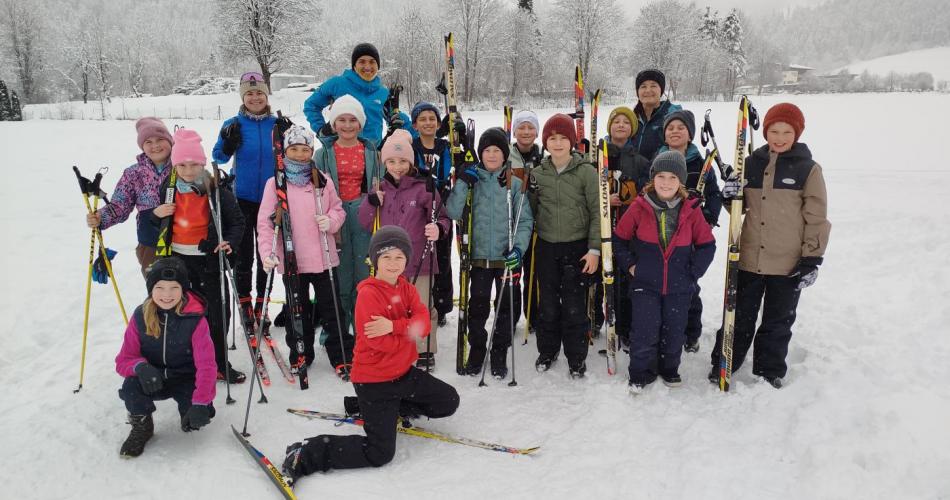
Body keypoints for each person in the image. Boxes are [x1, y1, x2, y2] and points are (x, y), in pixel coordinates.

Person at [280, 226, 460, 479]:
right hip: (374, 382)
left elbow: (425, 322)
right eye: (386, 257)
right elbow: (381, 344)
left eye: (399, 257)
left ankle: (378, 408)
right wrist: (409, 335)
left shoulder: (406, 288)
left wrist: (395, 326)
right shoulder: (369, 294)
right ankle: (306, 452)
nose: (393, 263)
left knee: (448, 400)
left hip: (404, 375)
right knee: (379, 453)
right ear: (375, 260)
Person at [710, 103, 831, 389]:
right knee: (738, 317)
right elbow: (739, 210)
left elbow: (816, 217)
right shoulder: (749, 163)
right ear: (765, 131)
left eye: (786, 132)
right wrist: (729, 197)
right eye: (773, 131)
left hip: (787, 263)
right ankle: (724, 363)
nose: (779, 137)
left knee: (778, 322)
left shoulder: (808, 170)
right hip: (749, 258)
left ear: (797, 133)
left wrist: (811, 259)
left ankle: (769, 370)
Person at [613, 150, 716, 394]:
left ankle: (670, 369)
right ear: (652, 179)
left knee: (674, 330)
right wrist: (631, 266)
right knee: (645, 331)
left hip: (679, 287)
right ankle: (640, 372)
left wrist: (693, 272)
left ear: (680, 181)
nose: (666, 183)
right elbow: (619, 240)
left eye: (672, 177)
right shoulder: (639, 206)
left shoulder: (691, 210)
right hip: (645, 284)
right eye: (661, 176)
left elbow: (707, 245)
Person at [148, 128, 246, 383]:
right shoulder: (167, 190)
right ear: (174, 164)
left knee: (216, 313)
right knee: (180, 311)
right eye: (182, 165)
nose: (188, 171)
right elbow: (152, 223)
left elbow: (237, 222)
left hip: (208, 260)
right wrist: (155, 214)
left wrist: (229, 243)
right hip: (178, 261)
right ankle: (185, 361)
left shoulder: (216, 190)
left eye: (194, 165)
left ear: (202, 164)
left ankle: (218, 362)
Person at [257, 124, 355, 377]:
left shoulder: (322, 180)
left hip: (324, 259)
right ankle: (300, 352)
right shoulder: (275, 184)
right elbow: (265, 224)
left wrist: (331, 221)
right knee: (296, 312)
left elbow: (338, 210)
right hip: (293, 261)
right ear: (285, 151)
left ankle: (342, 355)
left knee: (333, 310)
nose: (300, 154)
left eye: (305, 149)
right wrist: (268, 252)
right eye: (294, 149)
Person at [358, 130, 451, 368]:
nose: (397, 166)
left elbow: (443, 217)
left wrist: (438, 228)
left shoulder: (423, 187)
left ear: (410, 162)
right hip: (388, 264)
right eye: (391, 161)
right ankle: (395, 346)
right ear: (384, 162)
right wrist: (371, 202)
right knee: (393, 308)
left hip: (420, 260)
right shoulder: (380, 189)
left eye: (402, 161)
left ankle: (423, 349)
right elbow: (365, 222)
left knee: (421, 305)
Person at [447, 127, 534, 378]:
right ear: (480, 153)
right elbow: (453, 211)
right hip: (478, 259)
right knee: (477, 308)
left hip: (506, 259)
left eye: (497, 150)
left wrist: (518, 248)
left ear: (505, 154)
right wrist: (463, 182)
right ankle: (477, 350)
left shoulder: (514, 183)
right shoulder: (472, 182)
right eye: (487, 150)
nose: (492, 155)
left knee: (506, 308)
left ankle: (499, 352)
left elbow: (524, 220)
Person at [115, 257, 216, 457]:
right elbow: (123, 360)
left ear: (183, 289)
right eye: (160, 287)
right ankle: (142, 426)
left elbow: (207, 366)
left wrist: (201, 402)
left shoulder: (195, 319)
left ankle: (188, 410)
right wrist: (140, 367)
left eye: (174, 288)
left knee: (197, 418)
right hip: (153, 378)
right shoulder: (140, 317)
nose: (167, 295)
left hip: (185, 378)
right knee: (130, 388)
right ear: (151, 289)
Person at [526, 114, 601, 378]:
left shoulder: (586, 172)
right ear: (545, 142)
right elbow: (531, 211)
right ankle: (547, 350)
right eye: (552, 138)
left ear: (572, 141)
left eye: (563, 138)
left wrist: (594, 250)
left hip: (577, 249)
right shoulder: (537, 174)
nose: (557, 143)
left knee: (574, 306)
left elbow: (596, 213)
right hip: (546, 247)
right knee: (547, 305)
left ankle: (576, 357)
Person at [212, 72, 280, 326]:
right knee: (244, 257)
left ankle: (263, 305)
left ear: (266, 95)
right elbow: (217, 157)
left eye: (259, 93)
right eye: (249, 93)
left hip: (272, 200)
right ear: (243, 96)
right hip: (242, 197)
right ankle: (245, 306)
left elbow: (296, 153)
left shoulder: (277, 124)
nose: (254, 97)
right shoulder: (234, 124)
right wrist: (228, 145)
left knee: (268, 256)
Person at [654, 109, 723, 353]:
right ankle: (666, 329)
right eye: (670, 128)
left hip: (690, 234)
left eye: (680, 128)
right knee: (661, 285)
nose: (675, 132)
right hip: (662, 232)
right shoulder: (658, 160)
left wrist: (708, 217)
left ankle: (691, 332)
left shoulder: (700, 163)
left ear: (690, 133)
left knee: (688, 284)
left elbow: (714, 194)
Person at [313, 94, 382, 335]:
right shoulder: (323, 154)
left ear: (361, 123)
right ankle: (337, 329)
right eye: (341, 120)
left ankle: (363, 326)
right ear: (333, 124)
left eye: (353, 120)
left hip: (363, 214)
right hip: (335, 215)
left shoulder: (372, 152)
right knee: (339, 273)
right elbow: (315, 189)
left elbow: (380, 183)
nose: (347, 125)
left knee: (363, 273)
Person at [86, 117, 174, 277]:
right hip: (150, 242)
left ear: (170, 140)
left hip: (184, 239)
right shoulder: (133, 173)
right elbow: (120, 205)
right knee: (161, 292)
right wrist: (101, 217)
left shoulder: (183, 165)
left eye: (160, 139)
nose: (155, 145)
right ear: (142, 146)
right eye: (148, 142)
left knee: (190, 294)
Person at [604, 106, 650, 348]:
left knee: (625, 279)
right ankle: (599, 321)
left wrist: (631, 200)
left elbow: (647, 194)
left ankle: (624, 328)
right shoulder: (598, 156)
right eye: (616, 121)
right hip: (601, 225)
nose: (620, 125)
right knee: (601, 276)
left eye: (626, 122)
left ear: (632, 129)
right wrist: (604, 199)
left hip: (629, 231)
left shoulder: (640, 161)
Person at [303, 42, 410, 145]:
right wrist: (321, 129)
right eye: (362, 62)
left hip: (372, 154)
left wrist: (418, 128)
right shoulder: (337, 84)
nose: (367, 66)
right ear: (354, 66)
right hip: (340, 151)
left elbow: (397, 117)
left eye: (372, 62)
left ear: (378, 66)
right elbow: (311, 105)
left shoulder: (382, 92)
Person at [410, 101, 454, 327]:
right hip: (419, 208)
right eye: (423, 119)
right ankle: (419, 301)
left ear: (438, 124)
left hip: (441, 208)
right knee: (423, 256)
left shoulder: (444, 146)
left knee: (443, 258)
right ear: (415, 124)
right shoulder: (412, 145)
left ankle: (442, 304)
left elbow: (450, 169)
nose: (428, 123)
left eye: (432, 119)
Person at [508, 110, 544, 326]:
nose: (526, 131)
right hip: (513, 224)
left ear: (537, 132)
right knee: (512, 273)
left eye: (531, 127)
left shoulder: (545, 157)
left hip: (537, 224)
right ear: (514, 131)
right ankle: (509, 317)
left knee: (535, 272)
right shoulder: (506, 156)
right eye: (521, 127)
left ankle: (533, 316)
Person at [631, 69, 683, 160]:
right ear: (638, 92)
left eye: (653, 86)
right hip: (630, 173)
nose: (648, 90)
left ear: (661, 90)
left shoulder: (674, 118)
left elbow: (684, 150)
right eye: (643, 86)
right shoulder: (631, 119)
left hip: (662, 172)